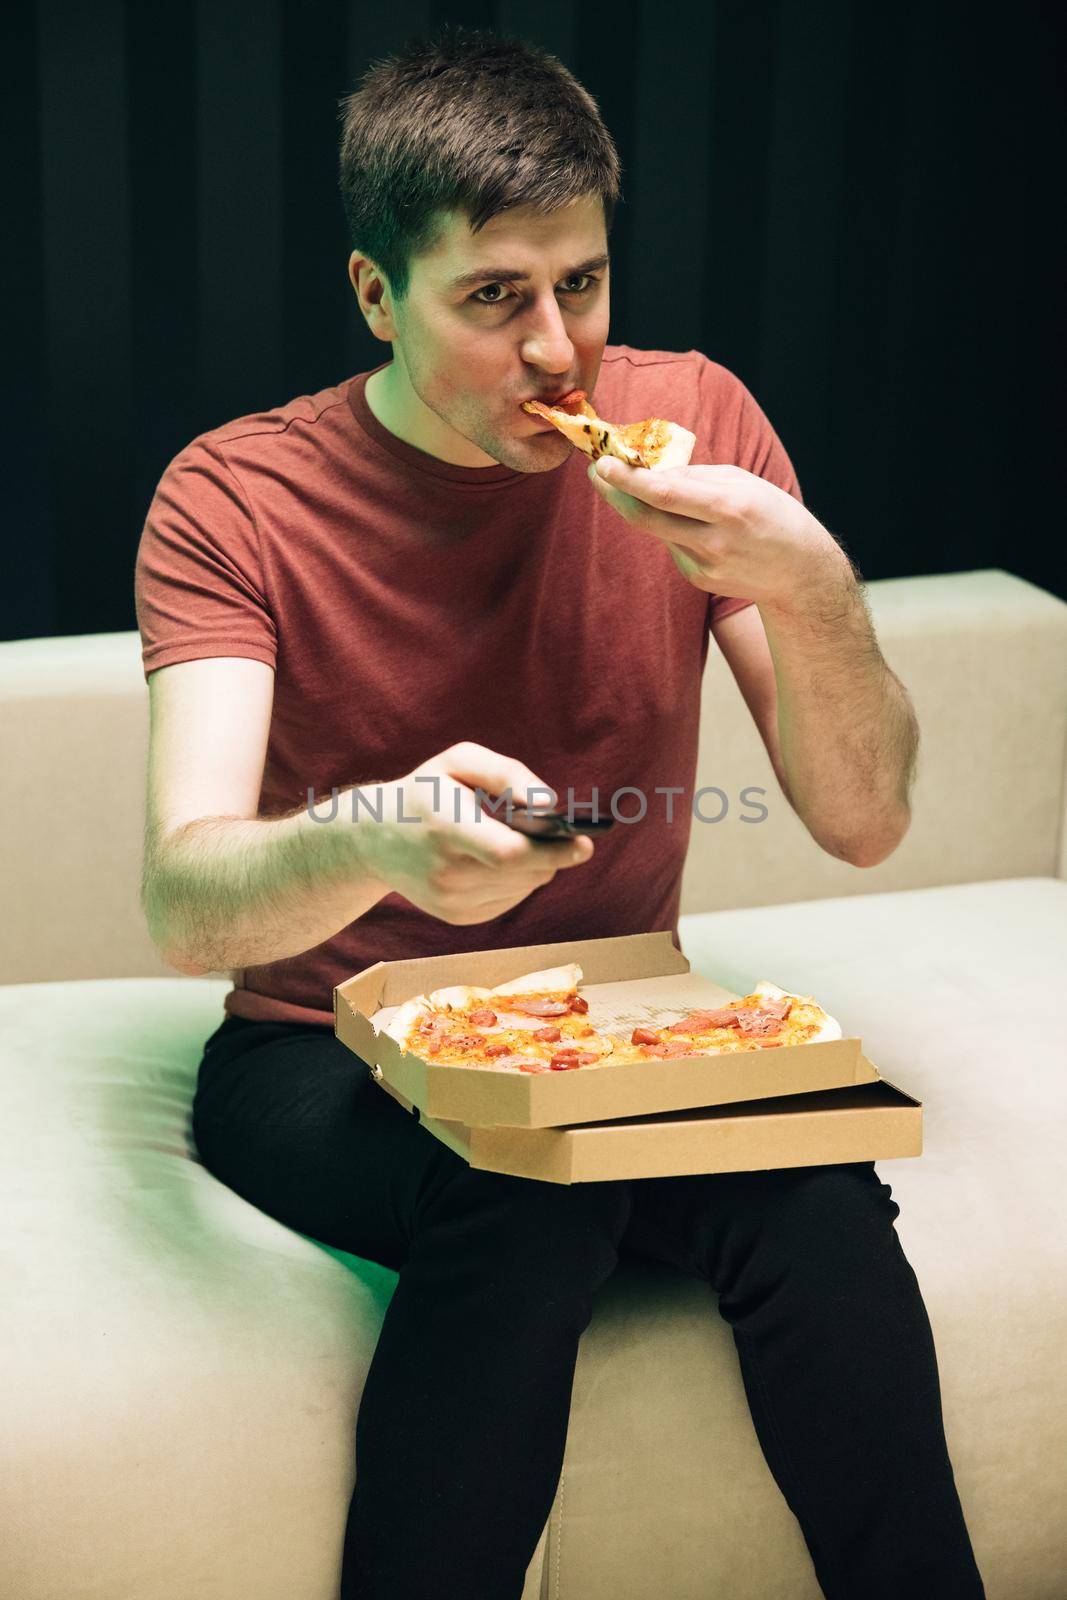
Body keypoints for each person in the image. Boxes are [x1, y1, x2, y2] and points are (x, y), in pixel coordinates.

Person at [133, 23, 985, 1600]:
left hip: (615, 1029)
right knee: (522, 1194)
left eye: (581, 285)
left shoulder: (699, 422)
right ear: (378, 295)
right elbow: (185, 904)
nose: (555, 356)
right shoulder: (234, 499)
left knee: (813, 1182)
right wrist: (371, 836)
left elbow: (862, 823)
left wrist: (810, 586)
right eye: (493, 299)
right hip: (321, 1049)